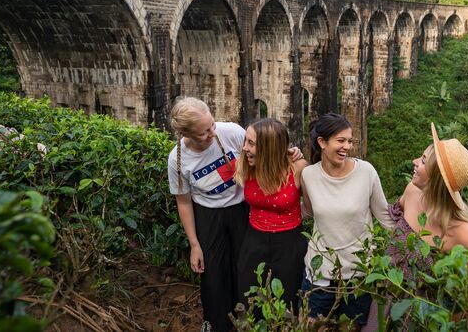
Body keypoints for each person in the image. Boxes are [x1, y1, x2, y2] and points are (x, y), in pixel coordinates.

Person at [362, 123, 468, 331]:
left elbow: (465, 296)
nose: (415, 162)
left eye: (424, 161)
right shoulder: (412, 192)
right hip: (385, 300)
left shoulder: (463, 232)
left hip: (421, 317)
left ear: (437, 179)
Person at [300, 113, 395, 330]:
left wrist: (412, 247)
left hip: (358, 273)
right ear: (322, 142)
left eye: (349, 141)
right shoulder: (308, 175)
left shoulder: (366, 172)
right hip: (320, 271)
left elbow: (384, 216)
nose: (347, 147)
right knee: (310, 327)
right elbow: (308, 211)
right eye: (340, 141)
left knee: (350, 328)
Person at [167, 97, 248, 332]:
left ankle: (247, 320)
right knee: (212, 274)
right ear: (186, 133)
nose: (212, 133)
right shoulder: (177, 159)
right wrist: (194, 244)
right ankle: (216, 323)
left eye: (212, 125)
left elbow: (260, 151)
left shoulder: (230, 132)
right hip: (208, 215)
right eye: (204, 132)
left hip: (241, 208)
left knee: (243, 265)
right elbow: (183, 201)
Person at [234, 118, 309, 314]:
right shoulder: (247, 165)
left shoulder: (298, 168)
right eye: (245, 141)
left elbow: (313, 206)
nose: (244, 148)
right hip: (254, 239)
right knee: (250, 295)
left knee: (287, 297)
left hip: (289, 242)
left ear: (268, 148)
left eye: (251, 143)